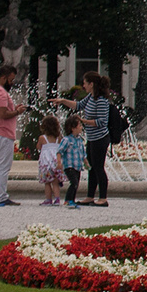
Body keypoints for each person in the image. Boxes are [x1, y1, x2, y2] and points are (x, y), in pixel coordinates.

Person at [50, 71, 109, 206]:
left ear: (91, 84)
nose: (83, 85)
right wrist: (62, 101)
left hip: (100, 138)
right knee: (92, 167)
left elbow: (102, 121)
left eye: (85, 83)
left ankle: (103, 198)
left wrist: (84, 121)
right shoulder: (90, 97)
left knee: (99, 167)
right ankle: (90, 196)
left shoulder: (101, 100)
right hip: (92, 138)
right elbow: (78, 105)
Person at [0, 63, 28, 206]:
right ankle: (1, 197)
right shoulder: (1, 92)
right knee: (3, 167)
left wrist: (13, 108)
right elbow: (2, 114)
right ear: (3, 78)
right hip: (3, 134)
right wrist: (17, 112)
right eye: (11, 79)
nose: (12, 82)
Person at [58, 115, 85, 209]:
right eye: (79, 125)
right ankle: (68, 200)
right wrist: (59, 162)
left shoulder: (79, 140)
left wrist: (86, 163)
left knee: (76, 183)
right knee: (74, 182)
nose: (81, 127)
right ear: (73, 128)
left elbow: (83, 153)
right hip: (69, 166)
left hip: (78, 166)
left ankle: (72, 200)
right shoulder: (66, 140)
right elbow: (59, 151)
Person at [36, 115, 63, 206]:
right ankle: (57, 199)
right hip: (55, 163)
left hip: (45, 164)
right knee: (55, 182)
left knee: (47, 183)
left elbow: (38, 147)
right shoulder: (58, 138)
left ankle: (48, 199)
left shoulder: (42, 138)